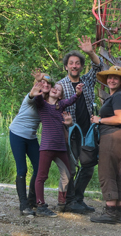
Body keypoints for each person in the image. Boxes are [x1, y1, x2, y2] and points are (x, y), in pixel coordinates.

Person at [57, 35, 103, 214]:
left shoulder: (87, 81)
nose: (74, 66)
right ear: (66, 66)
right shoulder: (61, 85)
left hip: (88, 131)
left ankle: (78, 198)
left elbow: (98, 66)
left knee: (89, 166)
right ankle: (68, 201)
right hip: (71, 132)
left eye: (77, 63)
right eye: (71, 63)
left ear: (81, 66)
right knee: (71, 166)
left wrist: (90, 52)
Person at [31, 82, 84, 217]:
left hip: (60, 147)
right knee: (41, 176)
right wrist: (38, 86)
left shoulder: (60, 106)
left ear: (60, 96)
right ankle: (40, 204)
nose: (55, 89)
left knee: (67, 174)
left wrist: (78, 93)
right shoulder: (42, 104)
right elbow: (36, 97)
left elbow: (71, 100)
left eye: (58, 90)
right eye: (54, 87)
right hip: (47, 146)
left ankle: (61, 203)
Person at [89, 66, 121, 224]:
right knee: (115, 173)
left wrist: (99, 120)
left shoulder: (119, 96)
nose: (112, 80)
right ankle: (119, 212)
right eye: (109, 78)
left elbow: (120, 118)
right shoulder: (115, 96)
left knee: (106, 173)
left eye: (115, 78)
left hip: (112, 136)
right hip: (115, 137)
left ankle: (110, 212)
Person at [8, 72, 54, 216]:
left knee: (39, 167)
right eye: (43, 82)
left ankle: (32, 199)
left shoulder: (47, 103)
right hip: (17, 134)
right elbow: (31, 95)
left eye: (48, 83)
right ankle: (23, 205)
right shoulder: (31, 97)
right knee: (22, 169)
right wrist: (34, 90)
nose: (45, 85)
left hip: (31, 137)